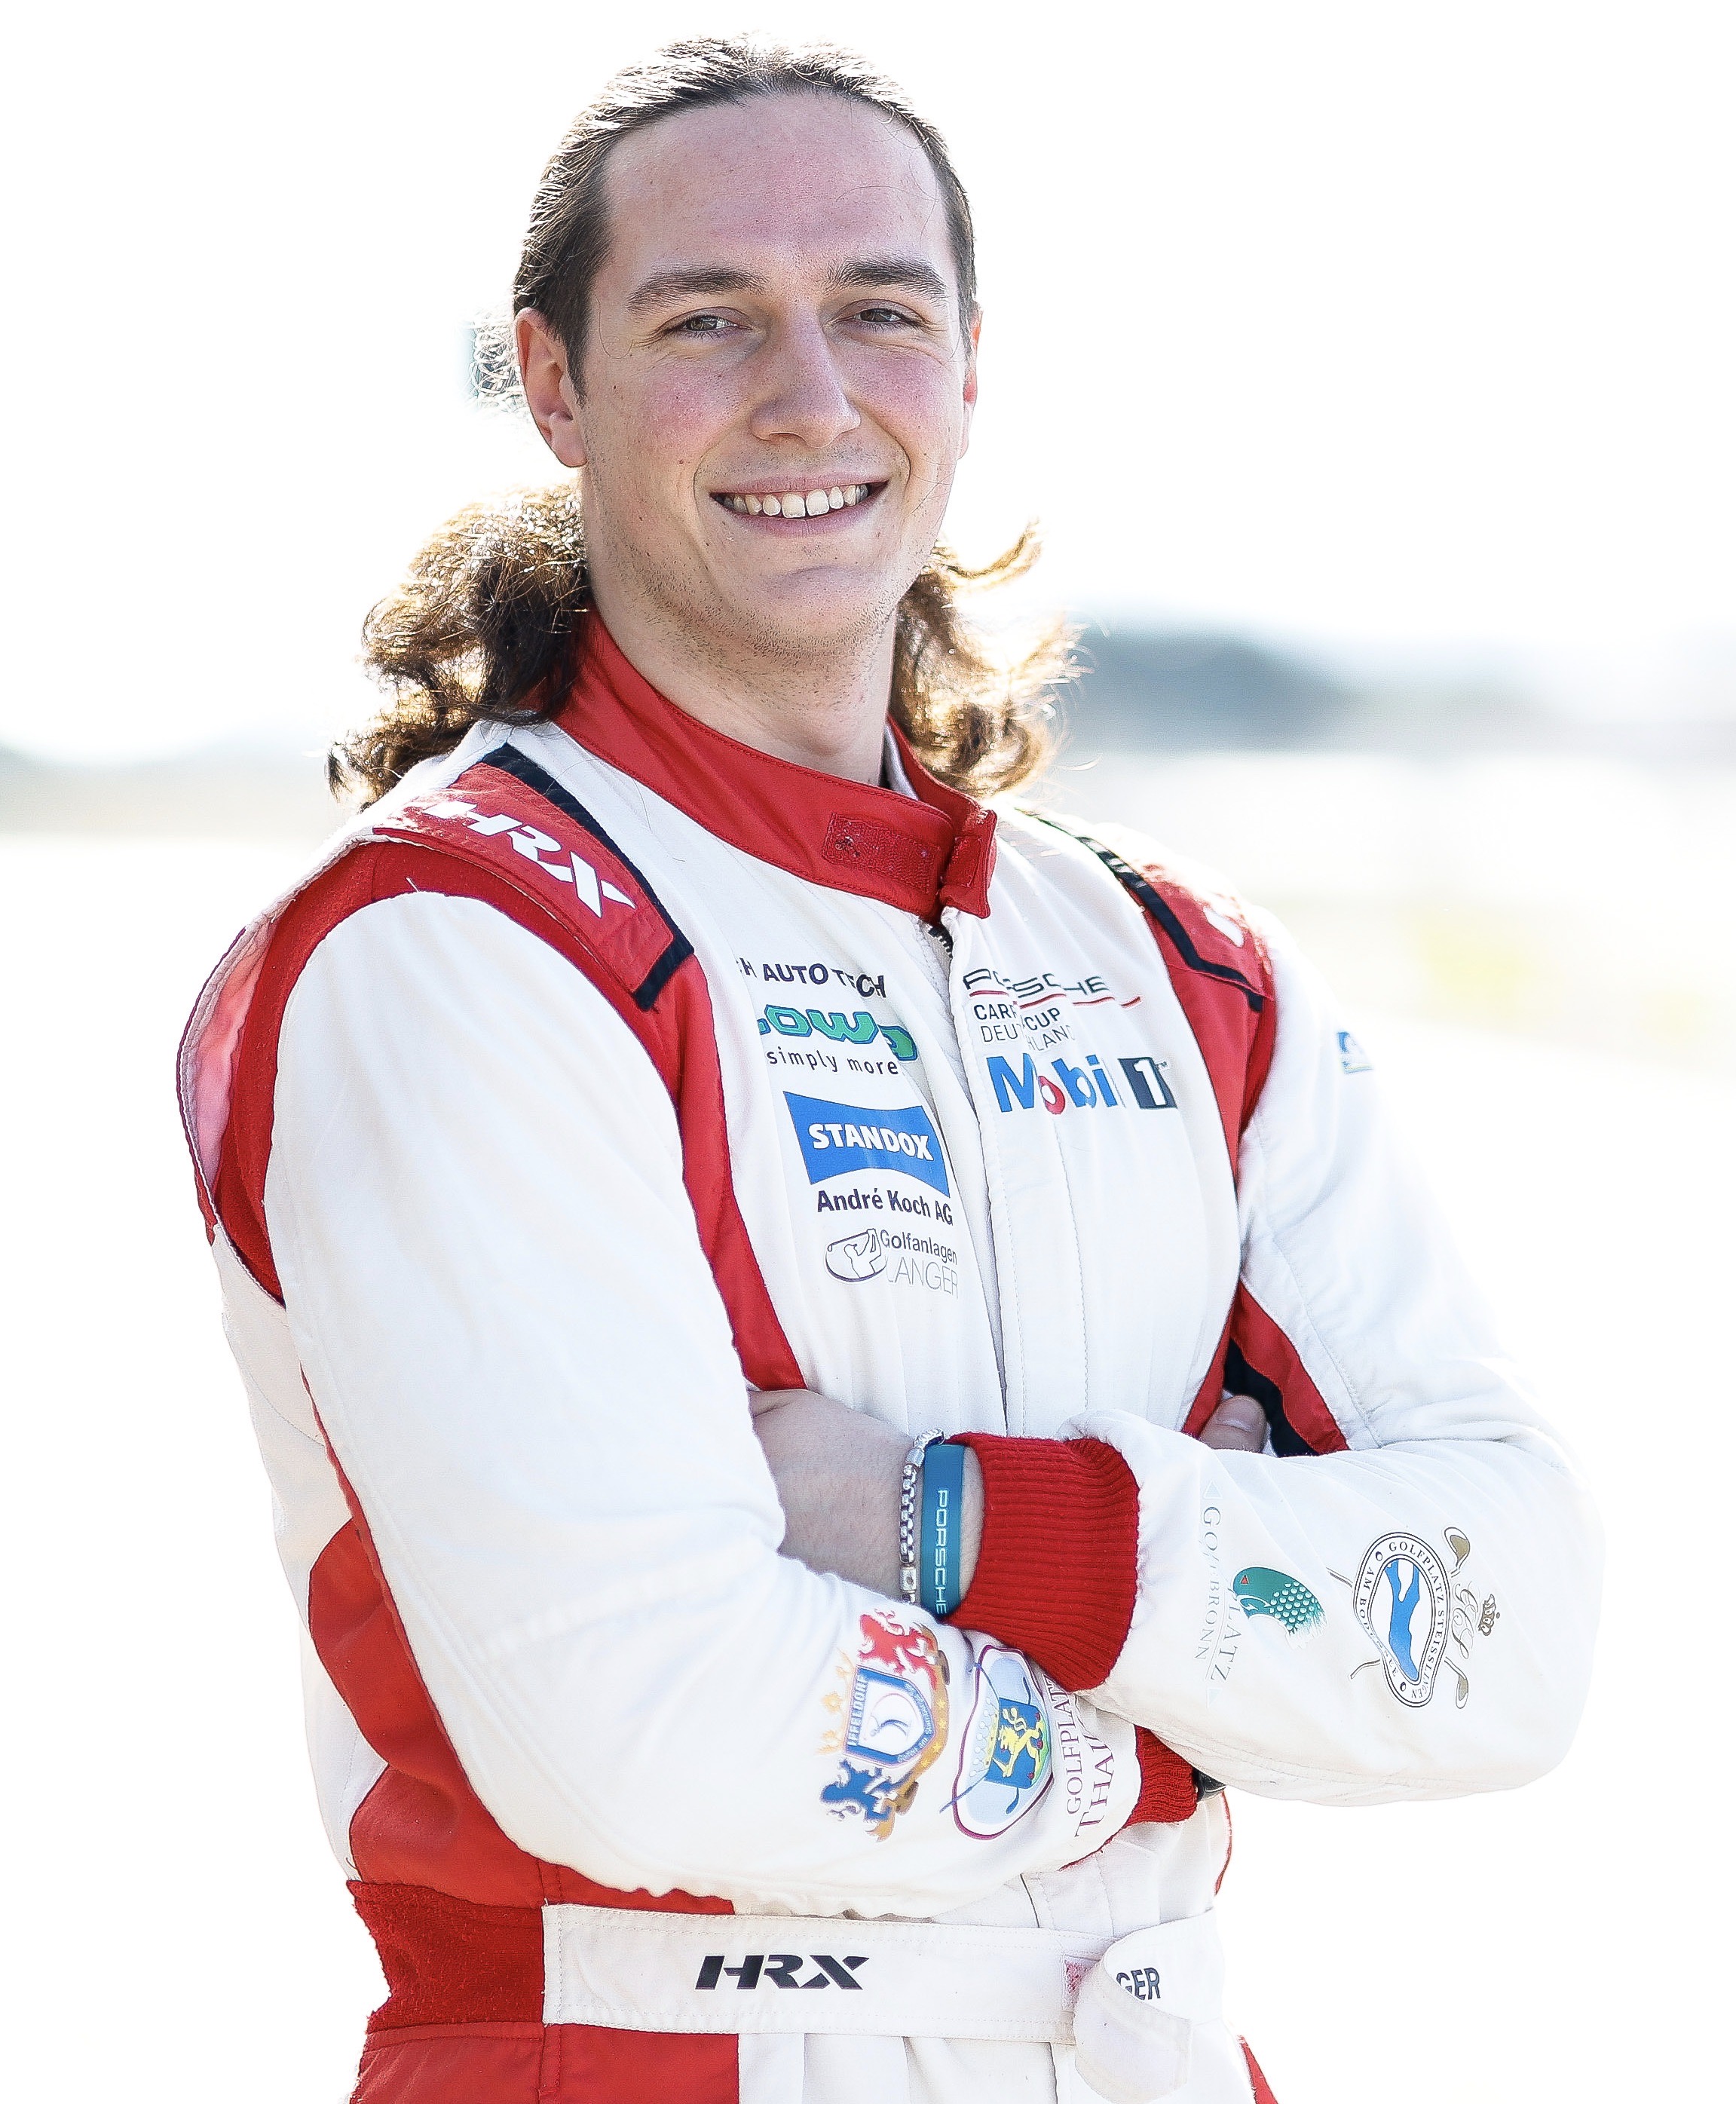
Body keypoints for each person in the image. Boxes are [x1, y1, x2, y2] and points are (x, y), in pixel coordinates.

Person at [177, 38, 1599, 2104]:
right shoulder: (455, 942)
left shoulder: (1179, 967)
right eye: (706, 319)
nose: (809, 396)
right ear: (554, 385)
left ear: (969, 366)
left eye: (879, 311)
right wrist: (1189, 1706)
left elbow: (1517, 1632)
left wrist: (940, 1527)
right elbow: (647, 1728)